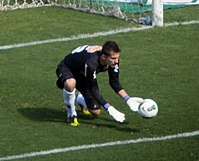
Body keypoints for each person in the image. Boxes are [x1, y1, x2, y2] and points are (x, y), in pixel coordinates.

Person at [56, 41, 144, 126]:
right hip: (68, 68)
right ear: (104, 57)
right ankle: (71, 114)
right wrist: (109, 108)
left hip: (84, 74)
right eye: (113, 58)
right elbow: (93, 89)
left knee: (96, 112)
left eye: (117, 57)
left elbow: (114, 82)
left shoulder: (113, 61)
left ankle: (79, 98)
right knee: (70, 83)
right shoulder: (91, 63)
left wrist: (128, 99)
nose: (116, 61)